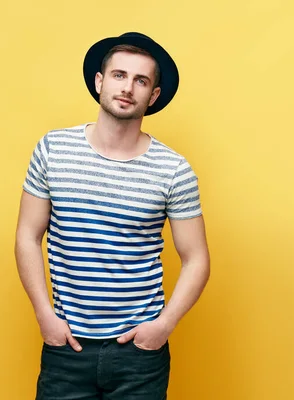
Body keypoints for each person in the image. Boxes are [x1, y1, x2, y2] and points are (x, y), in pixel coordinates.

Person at [14, 32, 211, 400]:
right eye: (119, 75)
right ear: (100, 82)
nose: (128, 88)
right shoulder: (53, 150)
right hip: (66, 346)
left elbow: (197, 258)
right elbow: (28, 234)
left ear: (152, 96)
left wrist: (162, 326)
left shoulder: (173, 169)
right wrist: (44, 314)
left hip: (138, 355)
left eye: (141, 80)